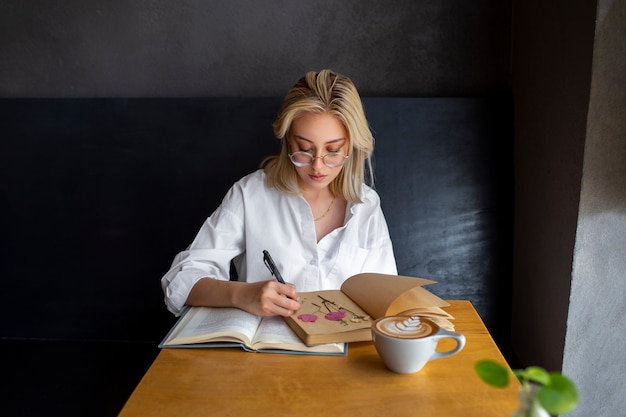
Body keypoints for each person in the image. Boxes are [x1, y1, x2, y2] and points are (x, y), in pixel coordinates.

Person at [161, 69, 397, 317]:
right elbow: (181, 280)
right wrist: (242, 294)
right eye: (304, 149)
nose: (317, 165)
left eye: (333, 150)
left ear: (351, 145)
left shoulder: (366, 205)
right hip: (263, 351)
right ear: (287, 140)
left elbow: (385, 301)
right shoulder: (251, 194)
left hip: (341, 351)